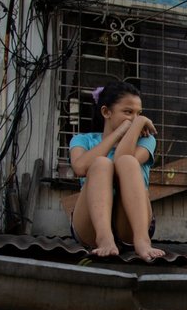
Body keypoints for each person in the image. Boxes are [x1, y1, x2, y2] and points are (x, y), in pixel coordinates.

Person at [69, 81, 165, 261]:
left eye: (139, 114)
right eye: (128, 112)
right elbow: (80, 167)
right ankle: (104, 237)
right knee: (101, 164)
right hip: (90, 224)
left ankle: (142, 240)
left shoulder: (146, 140)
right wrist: (119, 133)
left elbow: (123, 160)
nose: (135, 118)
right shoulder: (83, 140)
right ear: (106, 112)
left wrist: (137, 126)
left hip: (130, 224)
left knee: (128, 162)